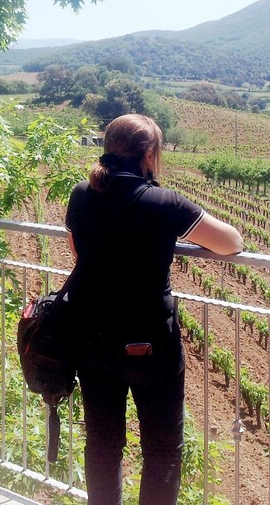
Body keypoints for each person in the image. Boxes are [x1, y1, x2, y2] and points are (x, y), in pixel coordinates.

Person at [64, 114, 243, 505]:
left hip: (90, 339)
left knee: (102, 442)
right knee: (162, 448)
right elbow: (231, 242)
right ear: (149, 154)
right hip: (149, 344)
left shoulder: (81, 194)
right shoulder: (162, 202)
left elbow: (80, 255)